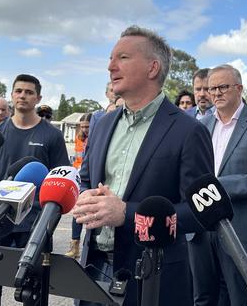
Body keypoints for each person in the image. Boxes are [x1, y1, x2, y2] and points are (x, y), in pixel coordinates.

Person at [72, 25, 214, 306]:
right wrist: (86, 196)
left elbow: (201, 212)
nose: (110, 66)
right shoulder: (102, 125)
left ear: (152, 68)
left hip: (153, 277)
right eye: (111, 58)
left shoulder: (188, 131)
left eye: (122, 58)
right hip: (94, 268)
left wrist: (128, 213)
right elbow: (86, 179)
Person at [188, 65, 247, 305]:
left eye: (222, 87)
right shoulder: (201, 125)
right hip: (200, 227)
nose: (215, 93)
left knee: (235, 297)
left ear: (239, 88)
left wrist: (219, 186)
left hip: (240, 226)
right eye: (211, 88)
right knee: (202, 297)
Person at [0, 74, 70, 305]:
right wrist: (2, 198)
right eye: (18, 91)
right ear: (12, 95)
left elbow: (60, 177)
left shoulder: (52, 135)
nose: (23, 96)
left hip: (35, 221)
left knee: (33, 285)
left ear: (38, 98)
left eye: (29, 92)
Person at [66, 112, 92, 259]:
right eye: (82, 127)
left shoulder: (98, 137)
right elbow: (77, 159)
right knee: (77, 212)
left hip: (90, 178)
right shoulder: (79, 138)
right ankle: (74, 246)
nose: (84, 129)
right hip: (79, 177)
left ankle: (87, 249)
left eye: (87, 126)